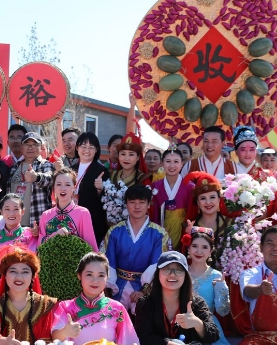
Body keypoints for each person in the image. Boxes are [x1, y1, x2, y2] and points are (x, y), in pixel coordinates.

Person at [51, 252, 141, 345]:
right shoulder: (66, 307)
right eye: (89, 274)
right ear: (79, 276)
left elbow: (129, 341)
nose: (95, 280)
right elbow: (55, 337)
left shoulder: (117, 308)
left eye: (101, 275)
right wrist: (65, 331)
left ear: (107, 278)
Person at [134, 251, 219, 345]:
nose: (172, 274)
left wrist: (197, 323)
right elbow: (144, 340)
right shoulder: (146, 304)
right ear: (158, 274)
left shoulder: (196, 303)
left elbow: (213, 335)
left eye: (178, 270)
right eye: (167, 269)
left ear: (185, 275)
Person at [181, 228, 249, 345]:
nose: (199, 251)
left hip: (208, 325)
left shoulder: (216, 276)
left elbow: (223, 311)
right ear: (188, 248)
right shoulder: (180, 273)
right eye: (195, 246)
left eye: (204, 247)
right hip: (182, 323)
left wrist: (221, 289)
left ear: (211, 251)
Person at [102, 185, 170, 313]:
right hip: (116, 286)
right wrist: (109, 288)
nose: (137, 206)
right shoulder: (114, 231)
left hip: (144, 288)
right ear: (126, 204)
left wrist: (144, 291)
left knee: (143, 321)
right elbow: (106, 261)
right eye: (132, 202)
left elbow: (158, 265)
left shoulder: (159, 234)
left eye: (141, 202)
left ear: (149, 204)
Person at [0, 194, 38, 296]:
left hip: (25, 281)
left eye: (16, 209)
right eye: (7, 209)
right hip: (1, 281)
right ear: (1, 212)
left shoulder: (30, 234)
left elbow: (31, 260)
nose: (11, 213)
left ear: (23, 211)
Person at [37, 168, 98, 250]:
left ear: (74, 187)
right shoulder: (46, 215)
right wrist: (55, 235)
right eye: (59, 184)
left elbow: (90, 246)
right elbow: (40, 247)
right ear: (54, 187)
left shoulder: (83, 213)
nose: (63, 188)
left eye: (67, 185)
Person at [7, 132, 54, 227]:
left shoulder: (46, 165)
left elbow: (51, 179)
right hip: (16, 223)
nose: (30, 147)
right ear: (21, 147)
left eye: (34, 144)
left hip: (38, 222)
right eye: (27, 144)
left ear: (41, 147)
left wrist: (36, 177)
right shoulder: (14, 168)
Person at [150, 146, 194, 248]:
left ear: (182, 163)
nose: (172, 165)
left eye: (176, 161)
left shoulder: (189, 187)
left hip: (182, 228)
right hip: (161, 227)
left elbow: (191, 211)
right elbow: (153, 212)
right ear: (162, 163)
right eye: (168, 161)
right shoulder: (155, 186)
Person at [72, 132, 111, 242]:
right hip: (72, 219)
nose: (87, 150)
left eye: (91, 147)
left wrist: (100, 189)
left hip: (92, 220)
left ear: (96, 149)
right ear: (77, 147)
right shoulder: (70, 169)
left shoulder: (102, 171)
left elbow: (106, 200)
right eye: (83, 146)